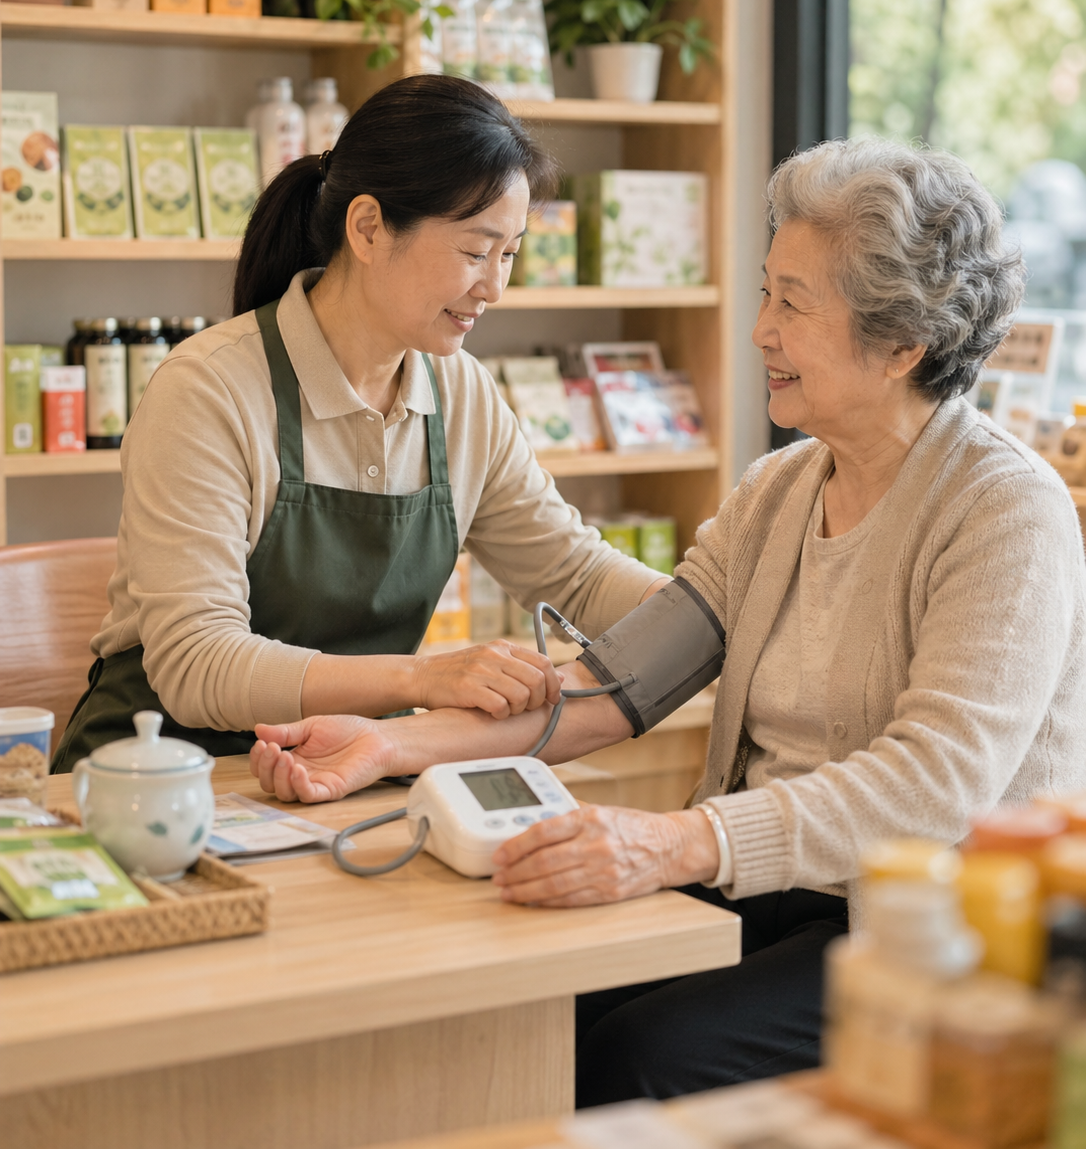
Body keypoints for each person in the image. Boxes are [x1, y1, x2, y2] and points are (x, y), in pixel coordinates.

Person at [246, 136, 1086, 1104]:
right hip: (766, 894)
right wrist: (394, 745)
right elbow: (614, 684)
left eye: (793, 305)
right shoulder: (779, 490)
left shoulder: (1004, 510)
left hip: (930, 937)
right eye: (766, 292)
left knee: (638, 1051)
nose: (761, 330)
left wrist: (677, 842)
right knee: (536, 1004)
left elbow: (933, 788)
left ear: (904, 345)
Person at [53, 76, 669, 771]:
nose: (494, 288)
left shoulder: (462, 392)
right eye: (475, 251)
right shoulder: (209, 389)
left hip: (347, 768)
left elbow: (575, 576)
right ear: (369, 227)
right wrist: (422, 679)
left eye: (511, 254)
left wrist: (707, 614)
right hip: (162, 781)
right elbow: (199, 666)